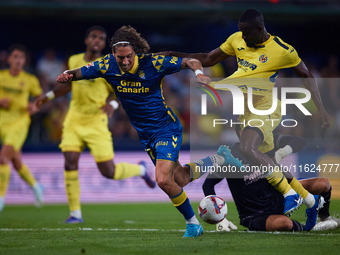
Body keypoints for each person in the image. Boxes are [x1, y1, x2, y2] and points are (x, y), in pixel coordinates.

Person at [54, 25, 244, 237]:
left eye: (129, 57)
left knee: (163, 180)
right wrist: (67, 75)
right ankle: (219, 159)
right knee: (179, 179)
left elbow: (191, 61)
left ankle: (193, 224)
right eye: (120, 58)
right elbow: (81, 72)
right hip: (146, 134)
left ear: (135, 51)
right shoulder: (107, 64)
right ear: (113, 54)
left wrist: (199, 73)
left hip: (166, 128)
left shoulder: (154, 62)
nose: (125, 62)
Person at [158, 8, 331, 229]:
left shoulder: (282, 50)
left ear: (260, 28)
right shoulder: (237, 39)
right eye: (240, 32)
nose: (243, 37)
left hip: (267, 106)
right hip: (246, 109)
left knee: (248, 149)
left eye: (247, 33)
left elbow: (306, 75)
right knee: (259, 154)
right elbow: (207, 58)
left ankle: (291, 195)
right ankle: (309, 201)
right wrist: (172, 55)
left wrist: (321, 109)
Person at [34, 26, 156, 224]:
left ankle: (141, 170)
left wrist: (113, 104)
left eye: (101, 38)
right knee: (70, 161)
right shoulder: (73, 61)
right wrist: (47, 97)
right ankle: (75, 214)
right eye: (94, 37)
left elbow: (121, 91)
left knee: (109, 172)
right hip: (74, 119)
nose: (97, 40)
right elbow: (66, 84)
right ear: (86, 40)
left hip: (96, 123)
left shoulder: (110, 65)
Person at [203, 128, 339, 232]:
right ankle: (311, 228)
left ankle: (325, 218)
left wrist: (280, 153)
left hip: (279, 195)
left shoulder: (267, 142)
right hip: (255, 214)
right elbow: (207, 186)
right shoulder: (229, 156)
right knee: (285, 223)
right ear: (241, 133)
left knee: (323, 184)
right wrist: (219, 219)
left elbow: (300, 141)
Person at [0, 44, 44, 211]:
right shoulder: (1, 76)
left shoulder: (30, 80)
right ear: (9, 58)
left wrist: (35, 107)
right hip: (2, 122)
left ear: (25, 61)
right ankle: (36, 186)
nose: (19, 60)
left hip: (20, 122)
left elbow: (40, 99)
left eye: (22, 57)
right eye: (16, 57)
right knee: (16, 162)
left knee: (3, 158)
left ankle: (1, 199)